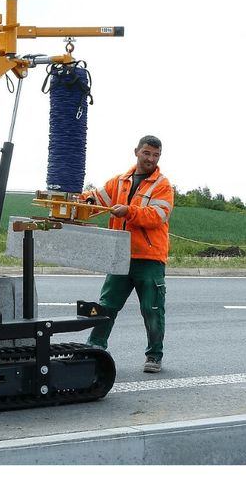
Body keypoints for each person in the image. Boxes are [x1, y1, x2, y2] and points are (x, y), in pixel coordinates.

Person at [82, 135, 174, 372]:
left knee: (152, 309)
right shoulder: (120, 181)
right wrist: (80, 202)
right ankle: (95, 347)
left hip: (149, 259)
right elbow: (95, 199)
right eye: (147, 153)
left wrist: (129, 211)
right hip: (120, 256)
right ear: (136, 152)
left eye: (155, 155)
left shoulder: (162, 185)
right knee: (107, 305)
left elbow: (157, 216)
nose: (151, 159)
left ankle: (154, 355)